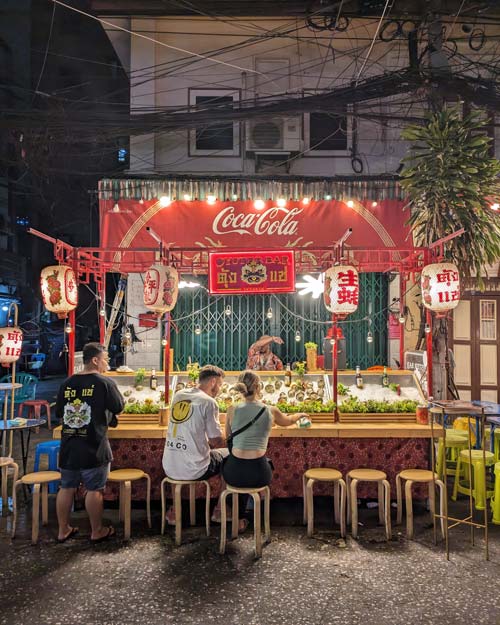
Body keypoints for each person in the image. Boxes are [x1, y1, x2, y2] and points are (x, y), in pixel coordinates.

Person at [55, 342, 124, 543]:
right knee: (94, 489)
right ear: (95, 360)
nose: (107, 363)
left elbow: (59, 412)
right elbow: (118, 406)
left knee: (66, 487)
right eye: (105, 359)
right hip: (94, 445)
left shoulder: (66, 383)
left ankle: (63, 530)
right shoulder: (104, 382)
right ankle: (97, 530)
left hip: (69, 444)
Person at [162, 364, 232, 525]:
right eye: (220, 385)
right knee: (230, 456)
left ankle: (175, 510)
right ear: (213, 382)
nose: (220, 389)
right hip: (195, 469)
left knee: (179, 457)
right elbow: (216, 440)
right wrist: (228, 430)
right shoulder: (209, 402)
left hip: (169, 466)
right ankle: (221, 509)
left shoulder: (179, 395)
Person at [222, 370, 309, 496]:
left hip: (234, 473)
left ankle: (228, 509)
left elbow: (228, 437)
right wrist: (300, 414)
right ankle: (256, 503)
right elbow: (288, 421)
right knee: (263, 465)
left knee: (225, 460)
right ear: (258, 387)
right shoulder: (270, 411)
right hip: (260, 473)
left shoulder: (231, 409)